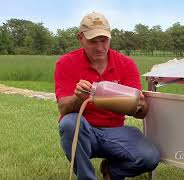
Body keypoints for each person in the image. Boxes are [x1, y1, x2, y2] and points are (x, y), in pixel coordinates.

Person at [54, 12, 160, 180]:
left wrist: (139, 105)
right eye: (92, 41)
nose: (99, 47)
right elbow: (63, 107)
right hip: (86, 132)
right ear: (80, 38)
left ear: (110, 37)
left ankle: (112, 171)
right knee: (69, 124)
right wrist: (78, 98)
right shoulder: (66, 63)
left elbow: (142, 112)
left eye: (104, 40)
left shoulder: (126, 64)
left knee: (150, 158)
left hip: (116, 132)